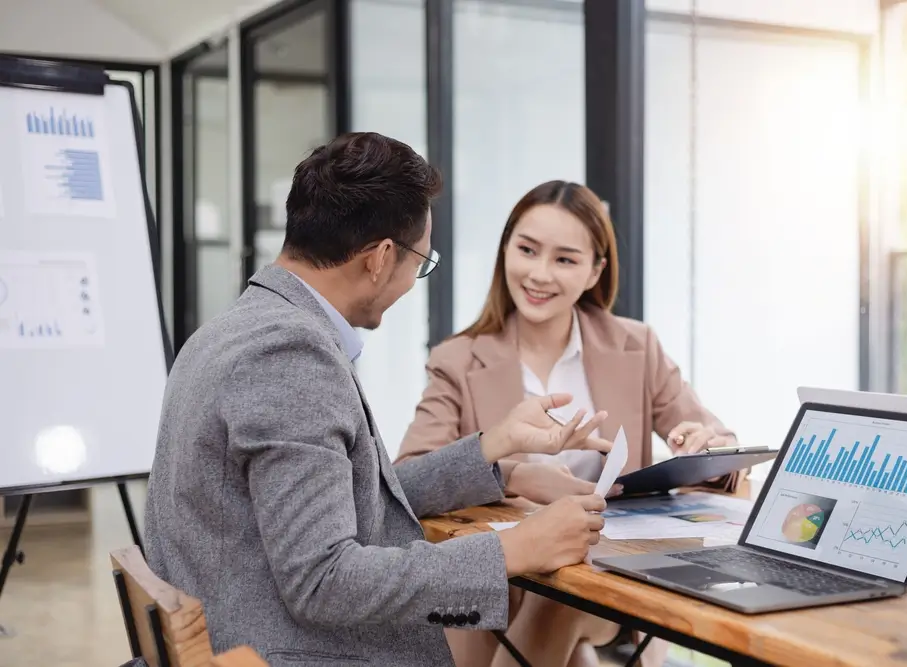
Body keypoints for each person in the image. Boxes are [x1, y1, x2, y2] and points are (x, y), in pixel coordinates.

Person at [142, 134, 618, 667]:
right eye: (421, 260)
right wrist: (516, 549)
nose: (415, 277)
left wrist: (493, 456)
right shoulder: (288, 355)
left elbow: (348, 494)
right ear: (381, 257)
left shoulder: (237, 329)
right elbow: (324, 581)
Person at [395, 180, 744, 667]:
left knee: (553, 596)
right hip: (502, 572)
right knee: (518, 606)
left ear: (595, 270)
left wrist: (704, 447)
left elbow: (717, 445)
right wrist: (515, 475)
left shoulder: (636, 346)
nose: (539, 274)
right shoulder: (458, 359)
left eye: (564, 259)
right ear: (505, 251)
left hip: (604, 577)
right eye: (527, 250)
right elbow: (410, 475)